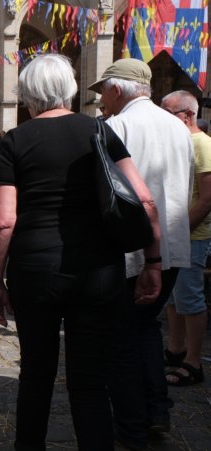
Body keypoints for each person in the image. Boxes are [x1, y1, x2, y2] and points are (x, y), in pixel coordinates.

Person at [0, 54, 161, 451]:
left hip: (35, 271)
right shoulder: (98, 131)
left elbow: (2, 222)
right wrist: (152, 261)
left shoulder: (13, 141)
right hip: (98, 270)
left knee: (35, 375)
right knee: (90, 382)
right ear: (68, 88)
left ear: (27, 95)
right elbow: (145, 200)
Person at [89, 59, 194, 449]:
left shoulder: (116, 126)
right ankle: (156, 411)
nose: (103, 99)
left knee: (121, 339)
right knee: (146, 329)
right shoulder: (178, 127)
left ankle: (132, 424)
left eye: (104, 92)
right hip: (172, 247)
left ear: (117, 90)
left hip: (132, 253)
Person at [161, 90, 209, 387]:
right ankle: (175, 349)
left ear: (187, 115)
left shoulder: (202, 145)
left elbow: (206, 199)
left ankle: (194, 362)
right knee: (172, 298)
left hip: (192, 235)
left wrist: (179, 231)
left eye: (167, 113)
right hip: (173, 234)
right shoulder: (176, 142)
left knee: (190, 298)